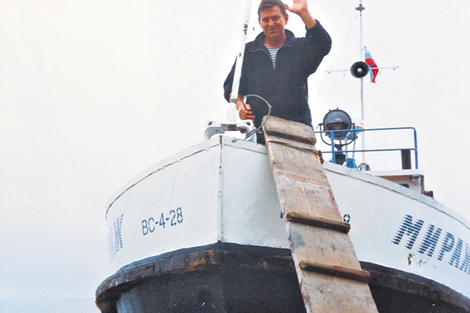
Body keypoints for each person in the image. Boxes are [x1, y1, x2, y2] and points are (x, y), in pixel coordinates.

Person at [224, 0, 331, 143]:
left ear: (285, 19)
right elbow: (231, 86)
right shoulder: (248, 52)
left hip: (298, 130)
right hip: (260, 132)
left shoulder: (300, 49)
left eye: (275, 18)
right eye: (266, 19)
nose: (271, 23)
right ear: (259, 22)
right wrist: (240, 106)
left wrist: (304, 14)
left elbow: (322, 44)